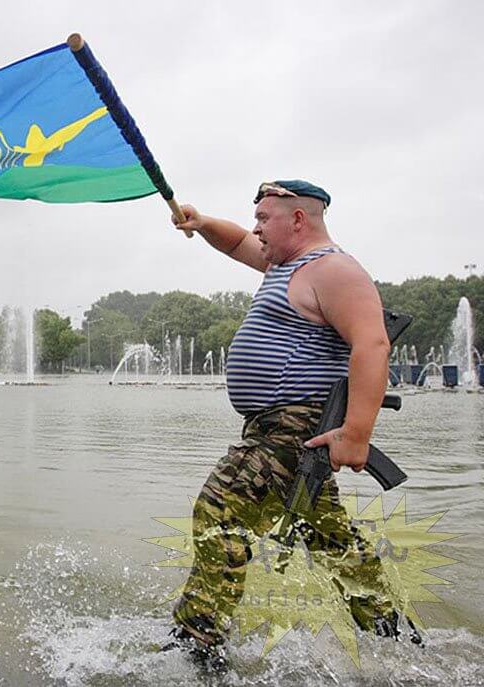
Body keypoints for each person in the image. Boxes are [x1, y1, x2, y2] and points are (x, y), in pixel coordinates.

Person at [165, 180, 415, 665]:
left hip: (293, 426)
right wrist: (202, 222)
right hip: (274, 427)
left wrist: (357, 434)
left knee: (219, 511)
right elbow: (237, 242)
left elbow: (372, 344)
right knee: (327, 536)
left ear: (298, 219)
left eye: (264, 218)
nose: (255, 227)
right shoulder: (284, 265)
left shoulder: (334, 270)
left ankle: (197, 644)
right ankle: (392, 636)